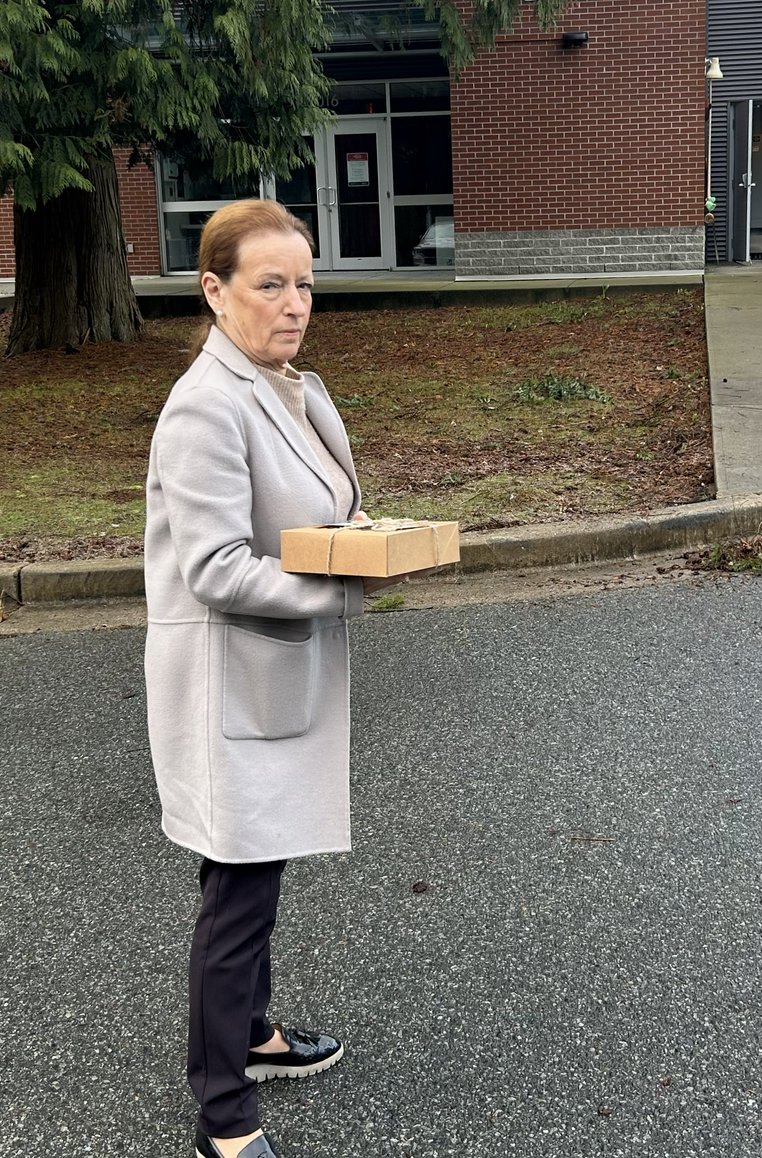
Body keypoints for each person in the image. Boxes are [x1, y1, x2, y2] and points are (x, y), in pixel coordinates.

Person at [144, 199, 390, 1158]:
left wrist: (363, 540)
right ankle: (224, 1114)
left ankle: (252, 1035)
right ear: (214, 290)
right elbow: (214, 568)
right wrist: (341, 588)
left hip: (277, 675)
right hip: (231, 687)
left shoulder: (285, 387)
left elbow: (310, 513)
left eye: (307, 285)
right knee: (237, 895)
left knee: (257, 870)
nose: (295, 305)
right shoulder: (206, 405)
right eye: (271, 285)